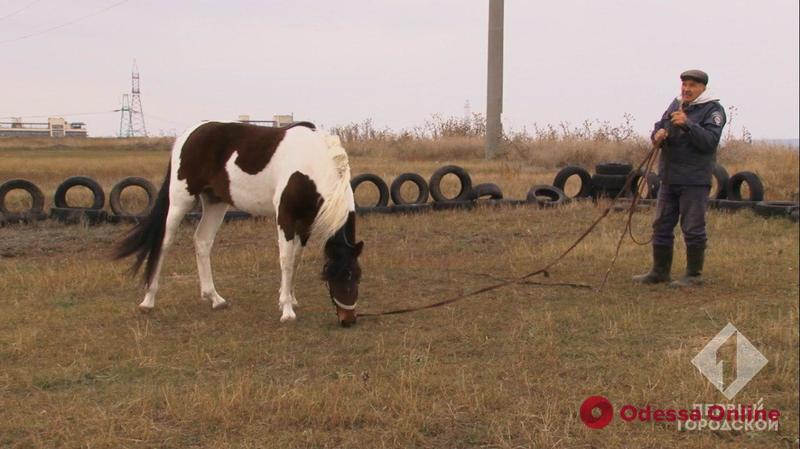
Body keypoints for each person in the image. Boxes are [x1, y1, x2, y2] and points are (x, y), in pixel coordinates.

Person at [633, 69, 726, 287]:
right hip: (669, 177)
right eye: (684, 84)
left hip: (694, 179)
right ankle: (659, 272)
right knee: (662, 225)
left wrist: (687, 125)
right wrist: (658, 135)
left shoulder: (714, 110)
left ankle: (694, 275)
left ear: (703, 88)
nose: (686, 89)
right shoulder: (676, 104)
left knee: (693, 227)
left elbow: (709, 142)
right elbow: (660, 125)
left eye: (692, 85)